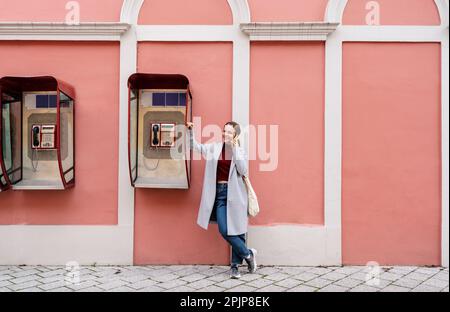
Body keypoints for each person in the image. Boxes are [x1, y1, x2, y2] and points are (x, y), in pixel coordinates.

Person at [186, 121, 257, 279]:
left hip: (236, 194)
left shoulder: (241, 151)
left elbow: (243, 170)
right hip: (219, 194)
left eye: (229, 132)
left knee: (237, 231)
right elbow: (196, 147)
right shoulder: (214, 148)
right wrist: (191, 132)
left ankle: (235, 267)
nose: (225, 134)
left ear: (236, 135)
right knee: (224, 230)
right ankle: (248, 254)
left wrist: (235, 148)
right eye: (224, 131)